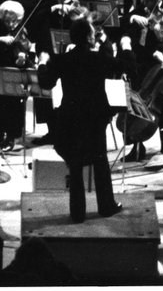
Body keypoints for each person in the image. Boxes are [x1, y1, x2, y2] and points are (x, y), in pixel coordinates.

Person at [36, 16, 123, 223]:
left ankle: (77, 214)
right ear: (89, 37)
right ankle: (106, 206)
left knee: (75, 165)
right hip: (94, 116)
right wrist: (124, 46)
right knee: (100, 160)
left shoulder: (62, 59)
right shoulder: (97, 58)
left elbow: (46, 83)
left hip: (71, 116)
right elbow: (125, 66)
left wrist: (42, 63)